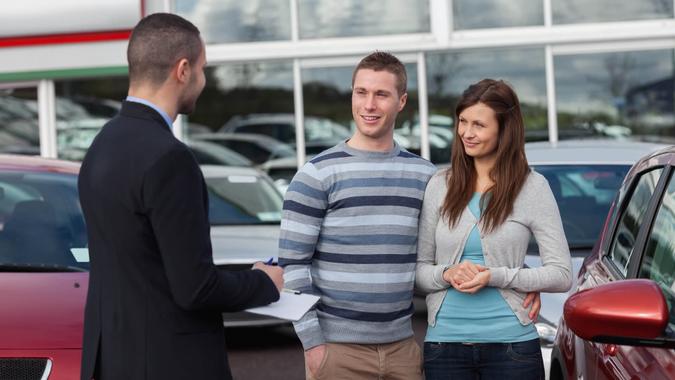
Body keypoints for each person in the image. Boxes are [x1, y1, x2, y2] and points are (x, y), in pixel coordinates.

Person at [78, 13, 283, 380]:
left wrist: (245, 272)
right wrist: (266, 284)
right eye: (203, 69)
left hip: (111, 359)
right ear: (183, 70)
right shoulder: (170, 158)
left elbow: (149, 262)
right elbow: (195, 289)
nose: (204, 81)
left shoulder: (101, 146)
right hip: (169, 362)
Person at [278, 51, 436, 379]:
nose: (369, 105)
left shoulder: (425, 176)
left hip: (403, 349)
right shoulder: (316, 174)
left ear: (401, 101)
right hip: (336, 353)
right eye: (361, 92)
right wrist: (312, 344)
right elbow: (293, 265)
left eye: (381, 94)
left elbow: (448, 252)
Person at [416, 79, 572, 379]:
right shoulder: (439, 185)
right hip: (444, 348)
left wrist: (497, 276)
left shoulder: (532, 188)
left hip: (512, 349)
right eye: (462, 121)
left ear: (504, 129)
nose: (467, 133)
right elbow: (418, 272)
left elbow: (562, 273)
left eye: (479, 124)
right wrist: (447, 273)